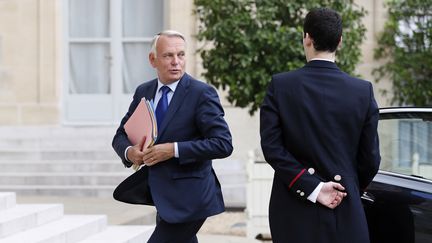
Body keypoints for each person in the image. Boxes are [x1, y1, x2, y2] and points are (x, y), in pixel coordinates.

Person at [260, 8, 381, 243]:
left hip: (293, 207)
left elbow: (272, 149)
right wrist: (345, 186)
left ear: (307, 38)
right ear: (340, 41)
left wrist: (312, 187)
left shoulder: (280, 86)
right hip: (344, 205)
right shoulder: (362, 91)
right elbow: (370, 159)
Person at [112, 30, 233, 243]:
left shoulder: (201, 93)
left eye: (181, 55)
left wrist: (173, 150)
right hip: (162, 196)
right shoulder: (144, 91)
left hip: (192, 197)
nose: (176, 62)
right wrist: (131, 153)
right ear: (153, 60)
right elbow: (121, 135)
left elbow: (223, 144)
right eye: (168, 55)